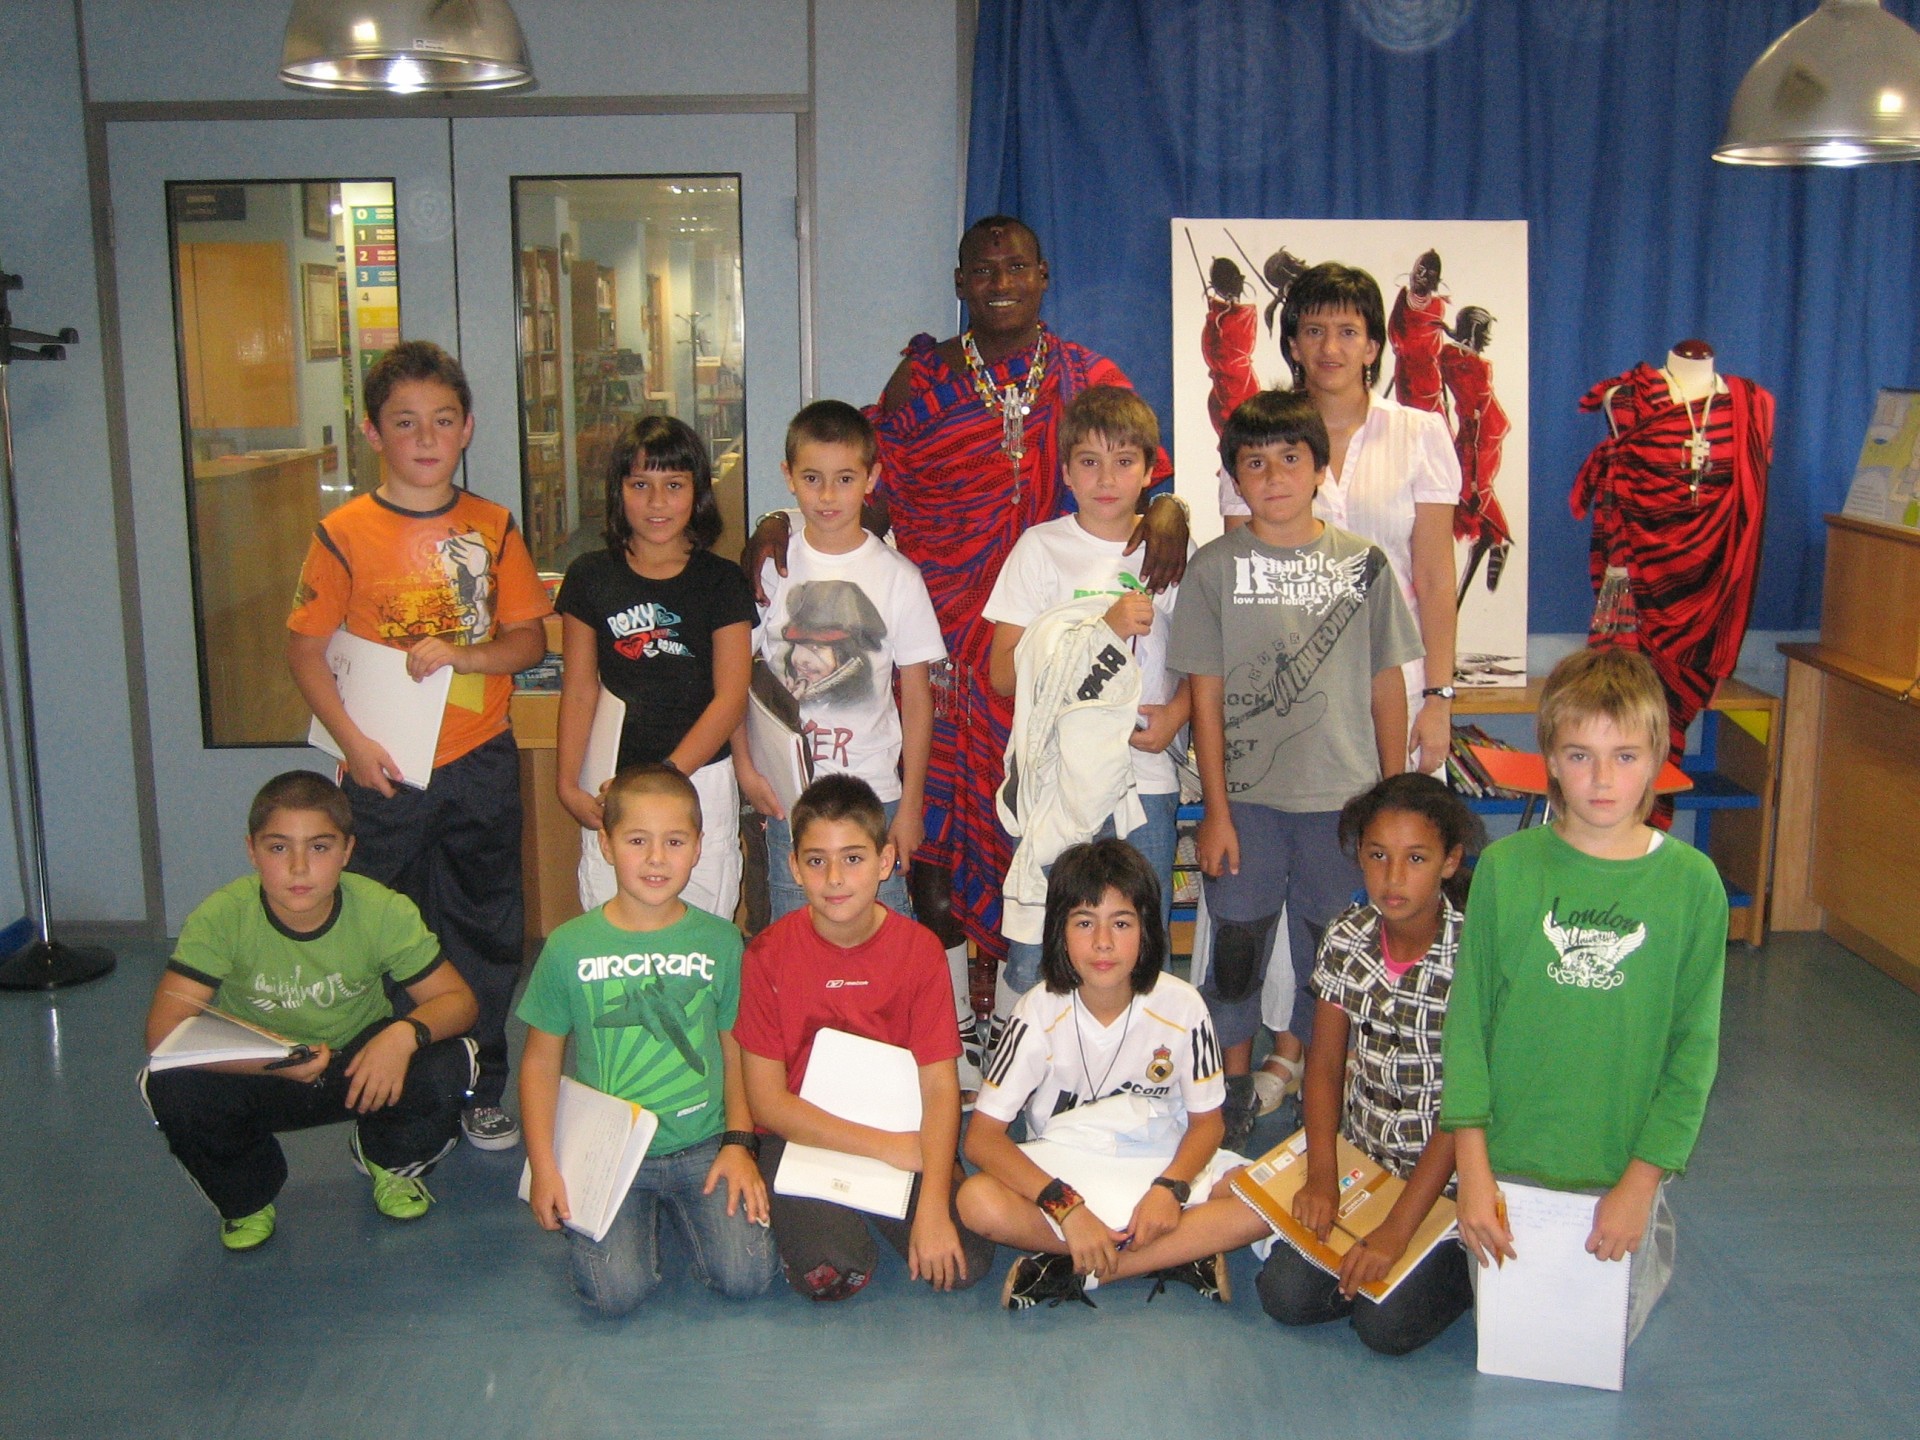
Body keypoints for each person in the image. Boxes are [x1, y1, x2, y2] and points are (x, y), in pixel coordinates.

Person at [743, 216, 1189, 1077]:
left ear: (1044, 274)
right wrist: (781, 523)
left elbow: (1137, 469)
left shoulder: (1086, 377)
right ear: (958, 279)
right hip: (946, 655)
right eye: (983, 268)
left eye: (1016, 265)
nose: (1000, 280)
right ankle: (952, 1026)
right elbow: (863, 485)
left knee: (1054, 859)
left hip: (1045, 660)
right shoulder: (925, 379)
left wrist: (1169, 508)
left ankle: (1076, 1034)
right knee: (942, 854)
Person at [287, 340, 551, 1152]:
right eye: (405, 423)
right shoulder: (342, 533)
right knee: (384, 924)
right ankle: (390, 1083)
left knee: (484, 922)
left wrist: (468, 655)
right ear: (373, 433)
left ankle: (479, 1079)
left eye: (442, 421)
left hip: (477, 760)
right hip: (384, 768)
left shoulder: (492, 527)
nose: (426, 438)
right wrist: (354, 743)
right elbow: (305, 651)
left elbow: (527, 641)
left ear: (467, 427)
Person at [1214, 262, 1462, 1118]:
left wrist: (1443, 693)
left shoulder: (1419, 432)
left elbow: (1432, 570)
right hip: (1278, 719)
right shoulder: (1259, 432)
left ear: (1373, 343)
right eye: (1312, 328)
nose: (1329, 345)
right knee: (1255, 918)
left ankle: (1339, 1069)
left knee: (1348, 908)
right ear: (1290, 340)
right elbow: (1242, 591)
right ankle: (1267, 1066)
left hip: (1383, 701)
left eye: (1348, 329)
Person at [1442, 646, 1728, 1345]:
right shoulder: (1508, 869)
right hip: (1508, 1170)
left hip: (1619, 1172)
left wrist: (1640, 1184)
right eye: (1579, 755)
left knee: (1590, 1352)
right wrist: (1472, 1170)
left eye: (1625, 756)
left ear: (1658, 758)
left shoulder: (1693, 885)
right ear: (1549, 757)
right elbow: (1469, 1023)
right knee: (1514, 1347)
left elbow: (1694, 1053)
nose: (1602, 779)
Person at [1171, 389, 1422, 1154]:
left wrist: (1391, 803)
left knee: (1330, 959)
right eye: (1254, 462)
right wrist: (1214, 808)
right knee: (1238, 953)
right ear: (1234, 479)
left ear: (1320, 468)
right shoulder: (1213, 570)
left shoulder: (1363, 566)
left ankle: (1325, 1089)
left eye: (1290, 458)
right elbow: (1204, 697)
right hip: (1245, 805)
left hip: (1343, 807)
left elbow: (1386, 684)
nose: (1273, 475)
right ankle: (1230, 1090)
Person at [141, 771, 479, 1251]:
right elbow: (162, 1033)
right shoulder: (221, 916)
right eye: (279, 848)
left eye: (319, 848)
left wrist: (401, 1036)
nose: (299, 868)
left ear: (346, 851)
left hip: (359, 1069)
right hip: (261, 1070)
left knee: (450, 1059)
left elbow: (460, 1002)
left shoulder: (382, 910)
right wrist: (275, 1059)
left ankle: (388, 1159)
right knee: (170, 1083)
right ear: (252, 850)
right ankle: (246, 1196)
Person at [517, 765, 777, 1316]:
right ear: (606, 846)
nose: (657, 858)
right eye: (638, 841)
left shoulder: (723, 941)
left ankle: (683, 1209)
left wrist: (739, 1142)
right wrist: (545, 1165)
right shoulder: (568, 946)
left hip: (703, 1142)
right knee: (615, 1294)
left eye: (675, 841)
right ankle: (641, 1216)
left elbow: (736, 1045)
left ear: (700, 848)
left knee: (748, 1277)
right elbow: (540, 1062)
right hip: (607, 1148)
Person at [735, 774, 996, 1300]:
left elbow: (941, 1088)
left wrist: (931, 1208)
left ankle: (888, 1200)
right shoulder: (766, 955)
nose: (834, 877)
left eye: (853, 858)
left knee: (963, 1262)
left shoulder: (919, 951)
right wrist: (889, 1150)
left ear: (886, 861)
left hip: (900, 1126)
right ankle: (825, 1214)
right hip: (804, 1133)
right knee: (832, 1275)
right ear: (793, 867)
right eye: (816, 860)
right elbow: (766, 1100)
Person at [1252, 772, 1482, 1353]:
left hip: (1448, 1177)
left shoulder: (1474, 957)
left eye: (1416, 858)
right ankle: (1375, 1260)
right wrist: (1324, 1177)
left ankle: (1461, 1265)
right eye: (1377, 856)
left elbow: (1463, 1109)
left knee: (1387, 1327)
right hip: (1369, 1163)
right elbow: (1325, 1067)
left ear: (1450, 862)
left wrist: (1396, 1231)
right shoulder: (1346, 937)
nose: (1393, 877)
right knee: (1285, 1296)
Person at [958, 839, 1234, 1310]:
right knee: (976, 1201)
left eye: (1121, 923)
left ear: (1147, 930)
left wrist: (1171, 1189)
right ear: (1059, 932)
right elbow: (982, 1139)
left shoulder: (1183, 1005)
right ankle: (1178, 1253)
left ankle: (1083, 1269)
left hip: (1160, 1164)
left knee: (1272, 1196)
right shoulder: (1036, 1012)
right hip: (1065, 1167)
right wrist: (1067, 1209)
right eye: (1084, 923)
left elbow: (1209, 1123)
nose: (1103, 943)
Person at [983, 385, 1190, 1007]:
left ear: (1151, 469)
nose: (1107, 478)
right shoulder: (1041, 549)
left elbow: (1204, 667)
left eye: (1125, 461)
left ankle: (1138, 1081)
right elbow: (1003, 674)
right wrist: (1098, 632)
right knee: (1042, 939)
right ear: (1066, 471)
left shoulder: (1172, 547)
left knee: (1138, 939)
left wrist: (1173, 717)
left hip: (1143, 775)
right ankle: (1023, 1092)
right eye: (1090, 462)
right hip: (1056, 782)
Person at [735, 401, 944, 930]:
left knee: (884, 933)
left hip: (875, 792)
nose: (828, 496)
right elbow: (737, 674)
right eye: (812, 478)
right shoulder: (770, 568)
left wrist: (912, 803)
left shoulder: (898, 576)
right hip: (788, 796)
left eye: (845, 478)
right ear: (788, 477)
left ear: (872, 477)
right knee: (793, 933)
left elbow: (918, 695)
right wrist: (744, 766)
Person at [555, 416, 755, 924]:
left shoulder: (721, 580)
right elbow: (578, 689)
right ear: (619, 492)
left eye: (673, 485)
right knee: (613, 921)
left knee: (701, 922)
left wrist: (667, 777)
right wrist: (566, 784)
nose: (657, 502)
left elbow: (730, 698)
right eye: (640, 485)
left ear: (697, 493)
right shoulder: (589, 576)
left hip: (698, 778)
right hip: (611, 782)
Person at [1438, 305, 1514, 599]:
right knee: (1461, 487)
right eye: (1483, 333)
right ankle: (1494, 539)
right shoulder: (1452, 357)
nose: (1486, 341)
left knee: (1476, 486)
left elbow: (1481, 414)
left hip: (1485, 431)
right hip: (1471, 429)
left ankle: (1499, 539)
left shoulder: (1472, 364)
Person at [1386, 248, 1448, 412]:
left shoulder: (1437, 305)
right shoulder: (1402, 297)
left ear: (1436, 280)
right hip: (1405, 372)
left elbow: (1434, 343)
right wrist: (1402, 348)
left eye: (1430, 274)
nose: (1423, 276)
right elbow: (1393, 328)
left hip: (1427, 374)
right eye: (1420, 270)